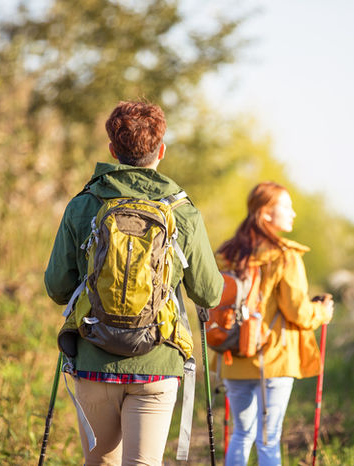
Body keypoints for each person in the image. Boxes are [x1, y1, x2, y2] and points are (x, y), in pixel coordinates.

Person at [44, 101, 223, 465]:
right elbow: (209, 292)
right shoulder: (181, 210)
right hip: (157, 359)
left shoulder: (84, 204)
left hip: (94, 358)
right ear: (161, 150)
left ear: (112, 150)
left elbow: (57, 287)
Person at [216, 181, 334, 466]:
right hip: (274, 358)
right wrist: (322, 312)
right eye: (287, 207)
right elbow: (297, 312)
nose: (293, 213)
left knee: (241, 434)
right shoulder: (285, 255)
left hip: (234, 355)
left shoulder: (229, 254)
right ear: (266, 213)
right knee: (269, 439)